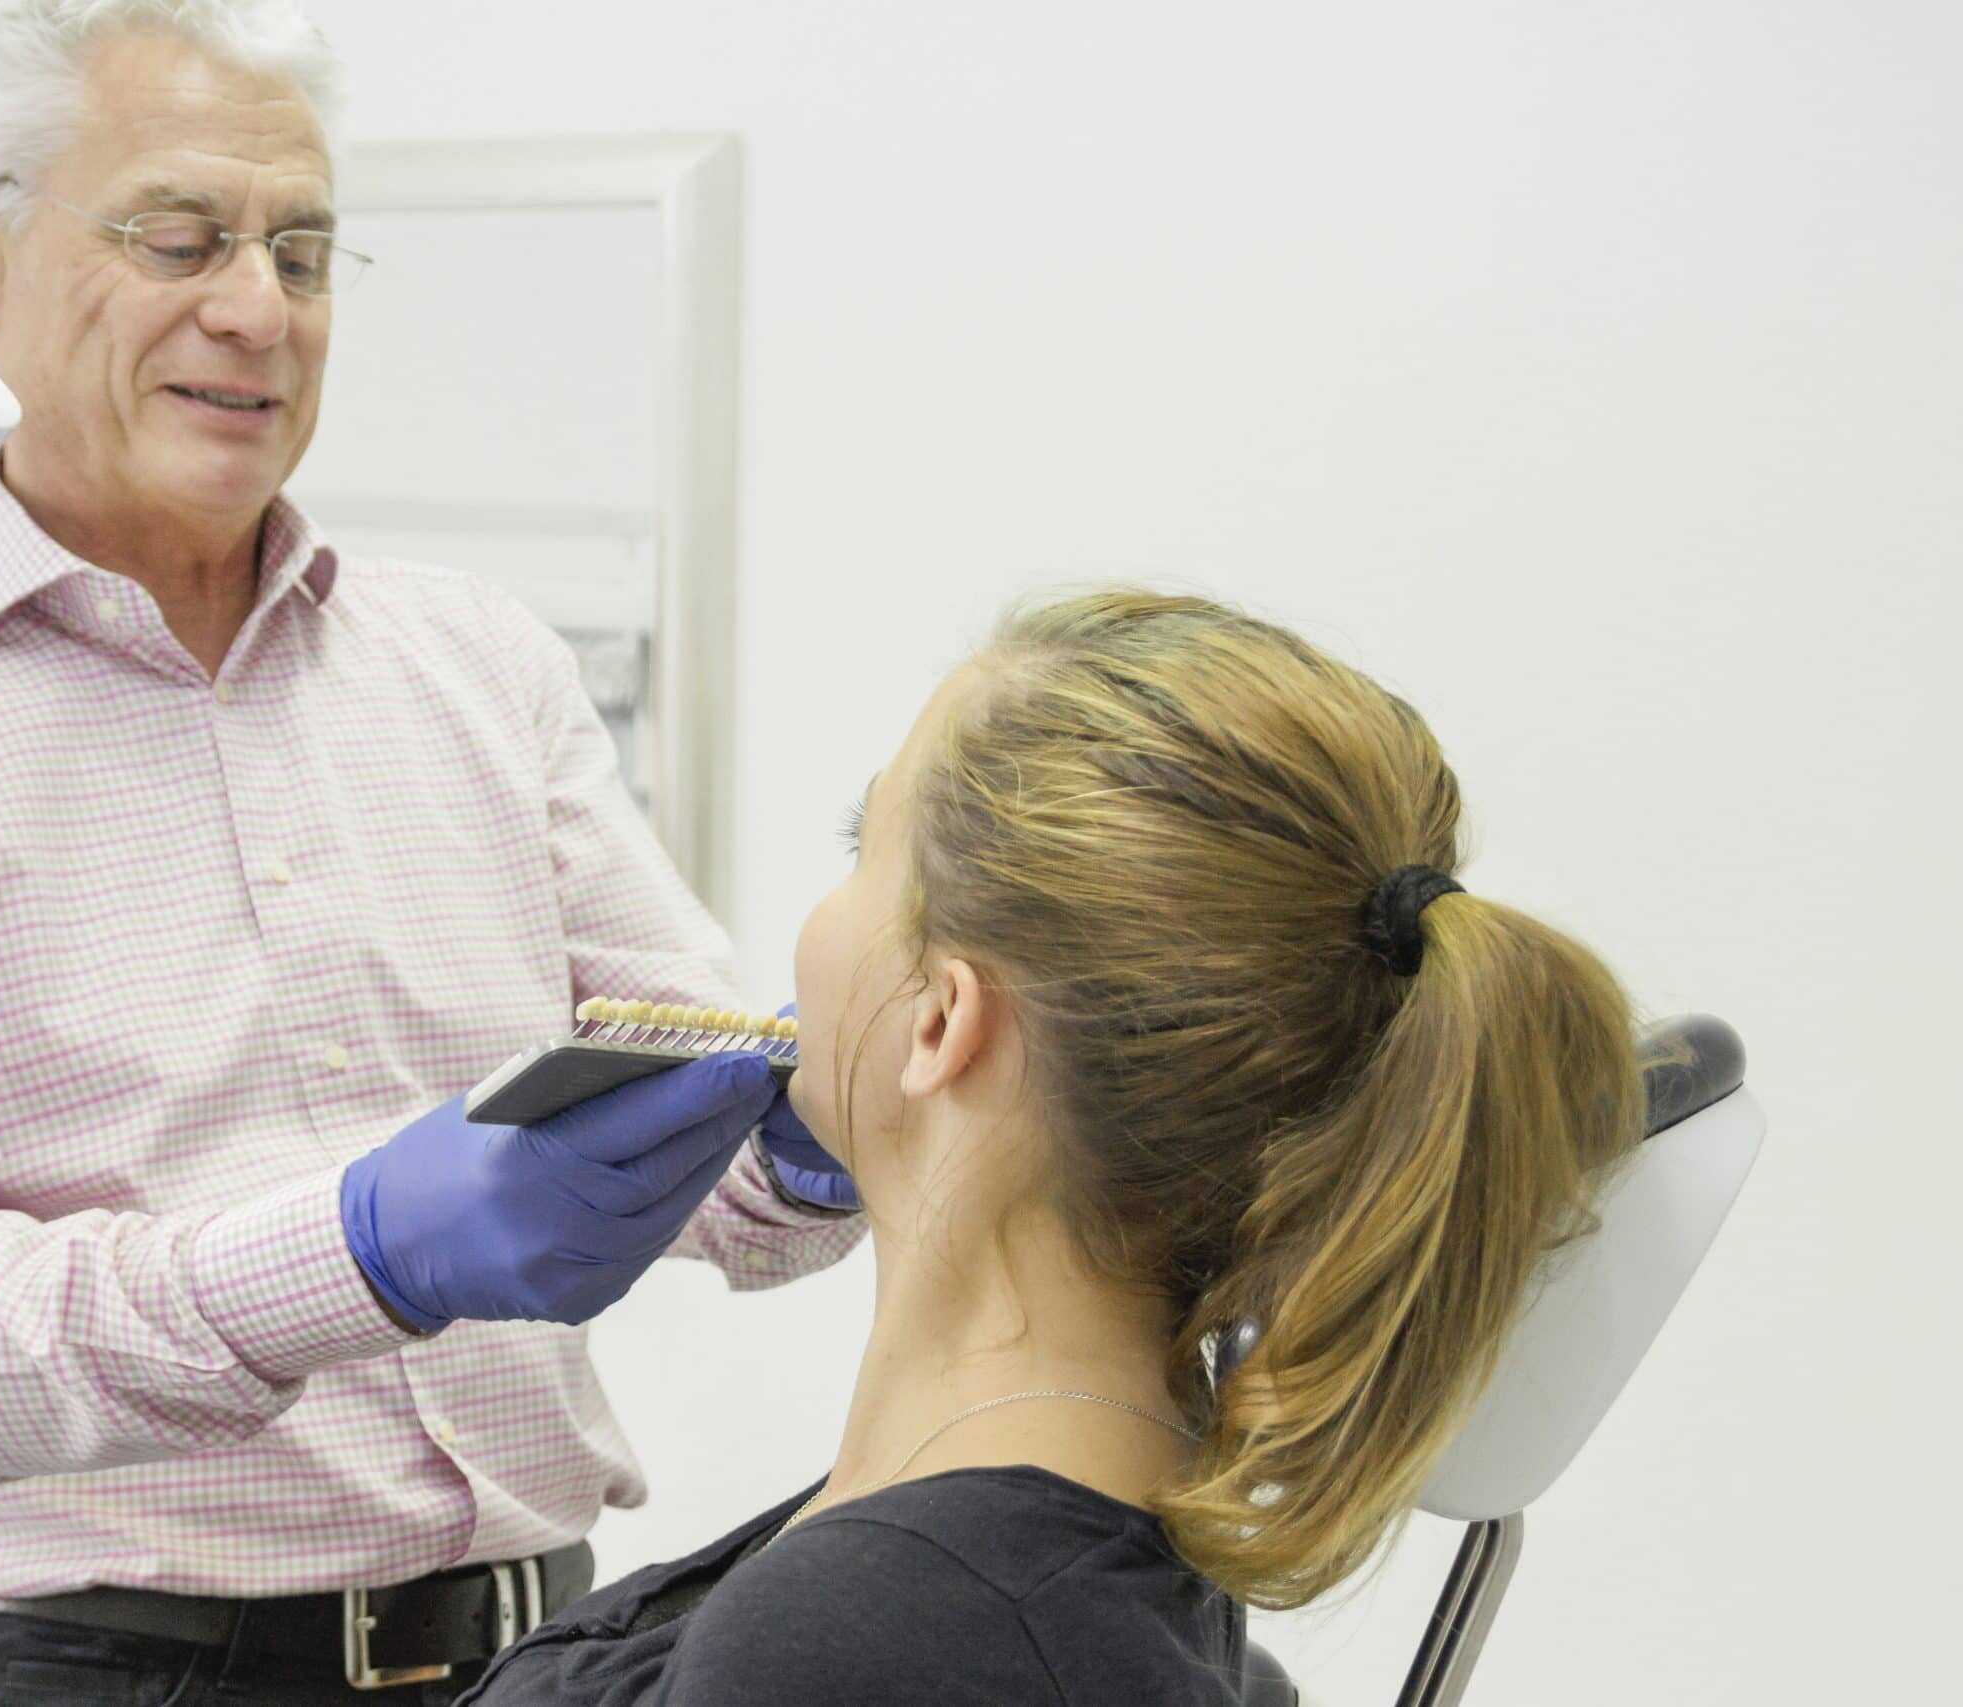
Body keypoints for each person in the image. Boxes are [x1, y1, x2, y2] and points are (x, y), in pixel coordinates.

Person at [0, 5, 863, 1702]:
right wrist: (346, 1255)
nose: (257, 311)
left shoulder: (481, 663)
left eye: (301, 253)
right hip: (128, 1673)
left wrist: (822, 1126)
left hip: (550, 1652)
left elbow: (715, 1157)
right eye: (179, 238)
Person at [450, 588, 1668, 1705]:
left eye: (861, 848)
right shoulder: (1018, 1550)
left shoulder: (876, 1638)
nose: (818, 922)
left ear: (942, 1020)